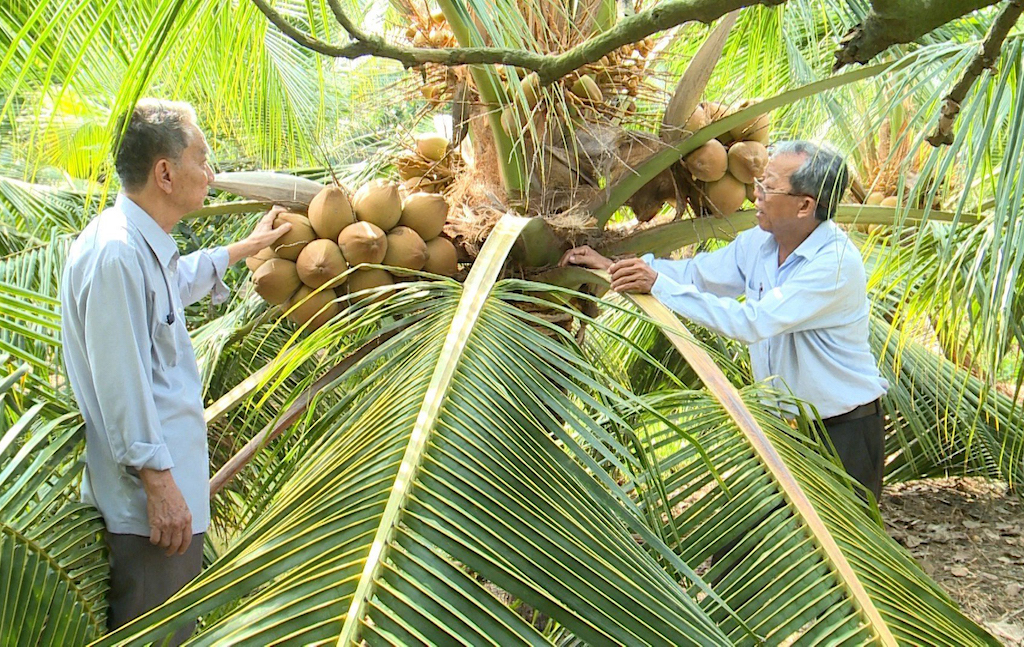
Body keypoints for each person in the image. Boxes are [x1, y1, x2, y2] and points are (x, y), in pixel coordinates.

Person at [60, 99, 291, 643]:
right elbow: (122, 383)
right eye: (202, 159)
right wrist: (159, 487)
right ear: (165, 172)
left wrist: (242, 249)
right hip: (150, 515)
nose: (210, 173)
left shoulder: (139, 245)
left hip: (167, 504)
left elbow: (173, 284)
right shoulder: (116, 254)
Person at [561, 140, 889, 503]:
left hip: (843, 433)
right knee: (741, 553)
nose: (756, 196)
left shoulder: (835, 264)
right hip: (781, 430)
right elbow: (697, 274)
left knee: (835, 551)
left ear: (805, 205)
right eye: (759, 184)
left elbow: (753, 322)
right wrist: (618, 267)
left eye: (768, 187)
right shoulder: (760, 243)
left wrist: (657, 285)